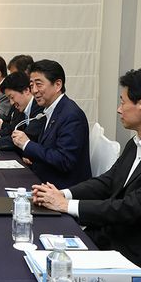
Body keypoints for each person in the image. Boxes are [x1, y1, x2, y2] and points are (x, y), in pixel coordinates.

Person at [32, 69, 141, 282]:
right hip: (112, 235)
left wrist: (66, 206)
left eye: (123, 102)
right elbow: (109, 180)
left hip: (140, 255)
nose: (119, 109)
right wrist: (62, 193)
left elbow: (133, 207)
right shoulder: (137, 142)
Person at [11, 59, 91, 188]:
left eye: (39, 84)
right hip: (46, 178)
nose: (34, 90)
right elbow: (50, 148)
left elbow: (64, 161)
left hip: (63, 188)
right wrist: (34, 157)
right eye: (31, 85)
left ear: (58, 85)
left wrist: (27, 145)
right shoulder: (50, 109)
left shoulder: (71, 115)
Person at [0, 71, 44, 151]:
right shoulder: (20, 106)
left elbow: (26, 137)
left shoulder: (39, 107)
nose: (11, 103)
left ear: (26, 91)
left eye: (12, 97)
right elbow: (12, 129)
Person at [0, 54, 34, 132]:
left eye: (14, 75)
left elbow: (21, 131)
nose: (11, 78)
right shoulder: (16, 95)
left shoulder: (33, 100)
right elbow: (12, 123)